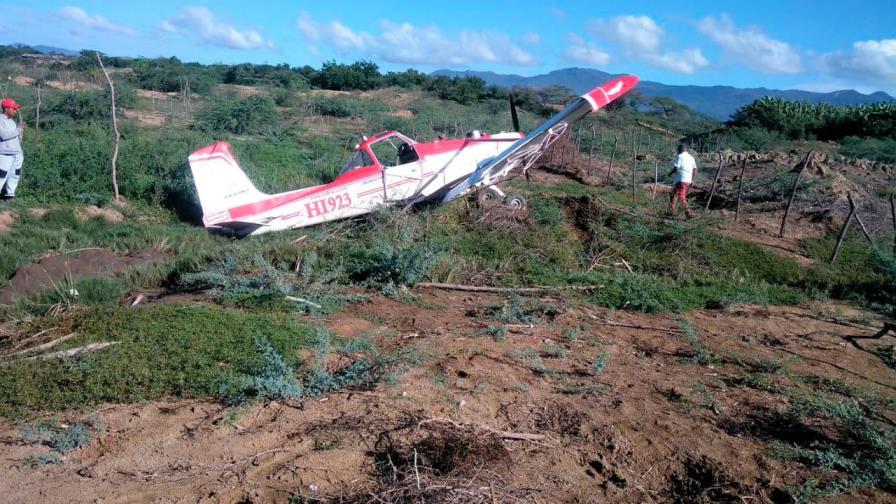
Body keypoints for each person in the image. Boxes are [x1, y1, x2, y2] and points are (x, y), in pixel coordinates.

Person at [0, 98, 23, 200]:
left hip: (17, 154)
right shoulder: (1, 121)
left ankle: (9, 194)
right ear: (6, 109)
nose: (15, 110)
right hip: (5, 154)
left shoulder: (12, 122)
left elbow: (16, 138)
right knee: (2, 175)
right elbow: (3, 135)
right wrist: (18, 129)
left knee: (15, 174)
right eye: (13, 108)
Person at [669, 143, 696, 218]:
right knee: (673, 193)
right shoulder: (691, 157)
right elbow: (695, 169)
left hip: (681, 180)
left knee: (681, 196)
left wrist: (670, 173)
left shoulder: (679, 156)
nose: (677, 151)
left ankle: (688, 212)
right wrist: (692, 179)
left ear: (680, 149)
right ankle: (672, 211)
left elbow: (676, 168)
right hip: (688, 180)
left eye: (678, 150)